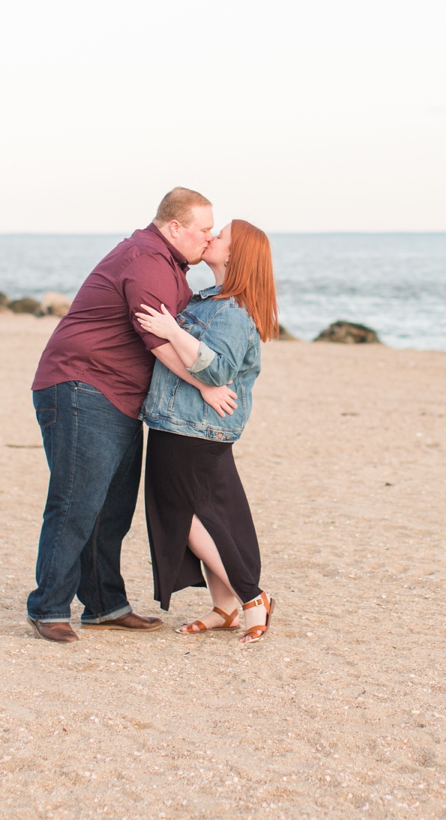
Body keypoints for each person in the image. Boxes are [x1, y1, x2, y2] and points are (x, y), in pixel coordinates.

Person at [26, 187, 239, 644]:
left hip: (118, 395)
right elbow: (159, 342)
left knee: (114, 508)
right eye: (204, 229)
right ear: (175, 227)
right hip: (83, 386)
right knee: (77, 501)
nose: (209, 237)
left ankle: (104, 605)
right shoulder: (145, 259)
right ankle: (48, 607)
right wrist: (207, 386)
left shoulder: (170, 265)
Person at [134, 220, 277, 644]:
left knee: (189, 516)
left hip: (191, 428)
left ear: (234, 256)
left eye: (221, 237)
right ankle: (226, 608)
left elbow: (218, 369)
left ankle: (252, 598)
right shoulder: (209, 300)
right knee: (212, 515)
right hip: (184, 423)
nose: (211, 238)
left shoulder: (230, 310)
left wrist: (172, 331)